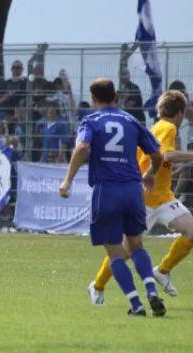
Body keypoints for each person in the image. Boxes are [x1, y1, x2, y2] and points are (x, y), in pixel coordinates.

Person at [58, 78, 166, 317]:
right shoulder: (131, 120)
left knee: (116, 253)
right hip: (132, 190)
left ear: (94, 98)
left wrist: (67, 181)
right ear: (115, 96)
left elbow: (82, 147)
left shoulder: (91, 120)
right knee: (136, 245)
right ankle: (152, 291)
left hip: (106, 190)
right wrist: (150, 174)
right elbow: (157, 155)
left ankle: (137, 305)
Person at [88, 90, 193, 303]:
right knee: (125, 252)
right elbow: (167, 155)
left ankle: (162, 271)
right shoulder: (168, 127)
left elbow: (160, 160)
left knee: (191, 230)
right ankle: (97, 285)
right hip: (144, 199)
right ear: (180, 112)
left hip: (162, 197)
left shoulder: (156, 127)